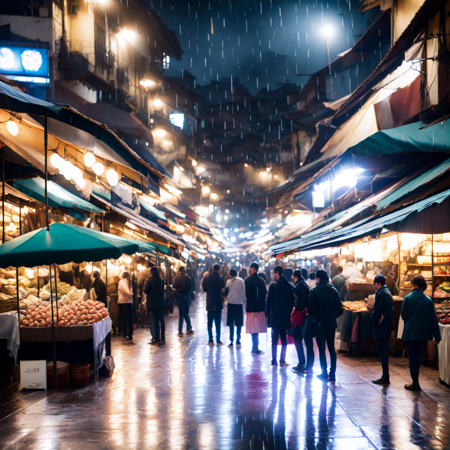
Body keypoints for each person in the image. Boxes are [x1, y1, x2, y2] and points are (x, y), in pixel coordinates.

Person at [401, 275, 441, 391]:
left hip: (409, 333)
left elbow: (403, 316)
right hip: (423, 334)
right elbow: (433, 320)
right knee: (418, 358)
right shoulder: (428, 300)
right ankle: (416, 382)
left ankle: (415, 382)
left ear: (413, 284)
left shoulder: (407, 298)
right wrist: (437, 337)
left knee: (412, 358)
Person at [308, 269, 343, 381]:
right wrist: (332, 316)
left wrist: (318, 316)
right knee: (332, 349)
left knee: (322, 349)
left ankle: (324, 373)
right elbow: (340, 309)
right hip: (331, 324)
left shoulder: (314, 291)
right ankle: (332, 374)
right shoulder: (334, 291)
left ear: (318, 279)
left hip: (320, 325)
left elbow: (310, 309)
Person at [267, 266, 294, 366]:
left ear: (277, 273)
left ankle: (274, 360)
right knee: (283, 338)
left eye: (274, 273)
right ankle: (282, 360)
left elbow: (268, 303)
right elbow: (292, 302)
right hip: (285, 316)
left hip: (275, 315)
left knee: (274, 339)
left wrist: (269, 316)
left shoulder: (273, 286)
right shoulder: (290, 286)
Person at [370, 274, 394, 386]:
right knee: (382, 352)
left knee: (383, 352)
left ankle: (385, 377)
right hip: (382, 327)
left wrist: (380, 320)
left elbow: (388, 311)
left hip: (383, 328)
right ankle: (385, 376)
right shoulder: (384, 292)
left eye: (375, 283)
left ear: (377, 283)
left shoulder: (383, 293)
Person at [290, 269, 313, 373]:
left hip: (300, 315)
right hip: (305, 314)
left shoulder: (298, 286)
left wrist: (295, 306)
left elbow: (298, 302)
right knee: (306, 341)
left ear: (294, 276)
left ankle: (301, 363)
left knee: (297, 339)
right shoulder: (305, 284)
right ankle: (307, 365)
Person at [244, 262, 267, 354]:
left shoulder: (247, 280)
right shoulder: (261, 281)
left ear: (251, 269)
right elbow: (264, 293)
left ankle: (254, 346)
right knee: (257, 327)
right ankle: (255, 347)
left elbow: (246, 294)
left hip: (250, 307)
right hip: (259, 307)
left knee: (252, 327)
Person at [202, 263, 225, 345]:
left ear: (212, 269)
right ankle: (218, 340)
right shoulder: (220, 278)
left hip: (210, 302)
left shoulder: (206, 278)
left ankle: (210, 339)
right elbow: (223, 291)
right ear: (219, 269)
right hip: (218, 302)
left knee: (210, 322)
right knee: (218, 323)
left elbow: (204, 289)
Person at [143, 267, 165, 346]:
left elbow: (145, 290)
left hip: (151, 304)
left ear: (151, 272)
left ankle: (155, 338)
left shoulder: (149, 280)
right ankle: (159, 337)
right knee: (158, 321)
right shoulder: (160, 279)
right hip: (159, 303)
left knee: (153, 321)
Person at [224, 269, 245, 347]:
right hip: (239, 303)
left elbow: (226, 292)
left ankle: (231, 340)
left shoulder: (228, 281)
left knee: (231, 323)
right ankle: (238, 340)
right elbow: (244, 291)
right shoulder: (241, 280)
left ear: (230, 275)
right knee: (239, 323)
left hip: (231, 303)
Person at [173, 266, 194, 336]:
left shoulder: (176, 278)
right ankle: (189, 328)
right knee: (186, 313)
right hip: (186, 297)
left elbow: (174, 286)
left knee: (181, 315)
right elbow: (190, 287)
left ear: (179, 271)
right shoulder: (187, 278)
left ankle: (180, 331)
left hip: (180, 297)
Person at [118, 272, 134, 344]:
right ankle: (127, 335)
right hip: (125, 302)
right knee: (127, 319)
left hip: (124, 303)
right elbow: (128, 292)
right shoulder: (122, 282)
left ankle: (127, 335)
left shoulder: (123, 282)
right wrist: (131, 293)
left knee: (124, 319)